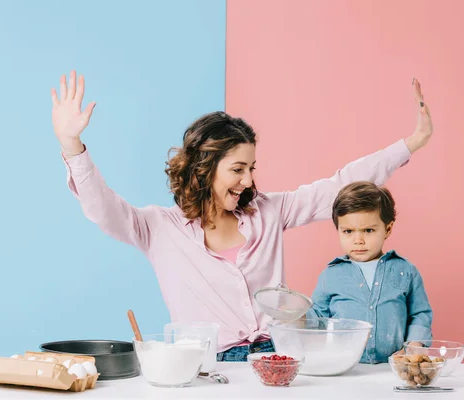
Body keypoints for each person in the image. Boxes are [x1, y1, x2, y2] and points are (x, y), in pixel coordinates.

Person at [50, 70, 434, 362]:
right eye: (238, 169)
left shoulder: (269, 210)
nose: (249, 179)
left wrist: (411, 144)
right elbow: (102, 208)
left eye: (252, 167)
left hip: (278, 359)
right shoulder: (157, 228)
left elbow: (339, 185)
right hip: (208, 367)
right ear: (205, 166)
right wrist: (72, 145)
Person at [306, 181, 433, 364]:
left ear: (387, 229)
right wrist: (297, 313)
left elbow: (420, 313)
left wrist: (414, 346)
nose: (358, 240)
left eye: (368, 230)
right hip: (343, 368)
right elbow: (318, 317)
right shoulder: (330, 275)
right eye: (348, 231)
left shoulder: (405, 270)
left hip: (394, 368)